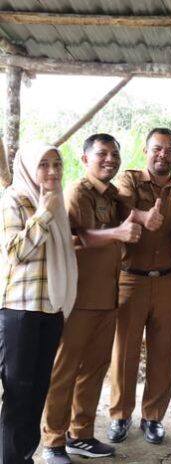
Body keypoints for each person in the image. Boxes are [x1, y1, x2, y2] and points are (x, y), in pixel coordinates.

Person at [41, 134, 141, 464]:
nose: (110, 159)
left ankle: (80, 435)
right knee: (64, 370)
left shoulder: (113, 195)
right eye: (102, 154)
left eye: (115, 153)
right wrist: (117, 234)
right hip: (78, 298)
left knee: (95, 369)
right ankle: (53, 440)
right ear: (85, 159)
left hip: (107, 297)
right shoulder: (77, 193)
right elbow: (73, 238)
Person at [108, 128, 171, 445]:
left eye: (169, 151)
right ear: (145, 151)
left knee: (165, 353)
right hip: (131, 278)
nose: (163, 155)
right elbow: (118, 207)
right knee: (124, 353)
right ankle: (120, 415)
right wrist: (143, 216)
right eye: (157, 149)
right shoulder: (129, 180)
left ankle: (153, 417)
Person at [0, 143, 77, 464]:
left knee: (37, 392)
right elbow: (16, 252)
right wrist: (44, 213)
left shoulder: (57, 203)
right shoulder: (14, 199)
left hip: (50, 311)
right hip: (20, 311)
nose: (52, 172)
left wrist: (51, 209)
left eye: (57, 164)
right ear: (30, 167)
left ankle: (24, 456)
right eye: (44, 165)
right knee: (18, 393)